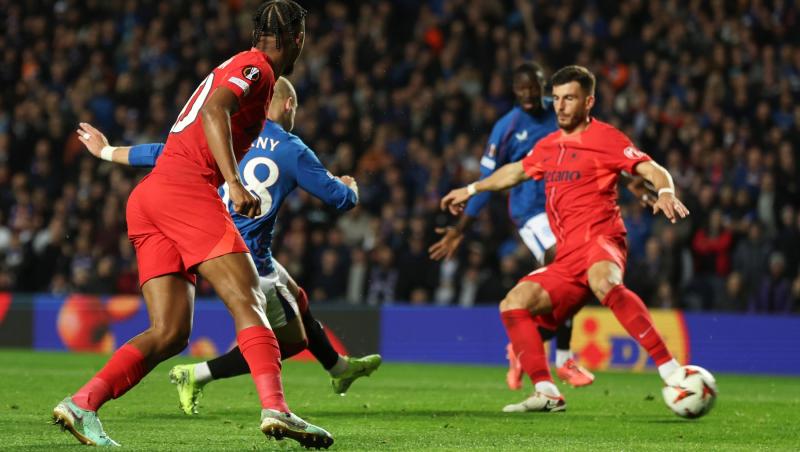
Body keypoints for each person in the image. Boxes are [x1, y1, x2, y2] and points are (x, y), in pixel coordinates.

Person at [52, 2, 334, 448]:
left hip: (151, 196)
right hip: (186, 194)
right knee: (248, 302)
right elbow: (212, 113)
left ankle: (83, 403)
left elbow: (180, 142)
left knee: (170, 332)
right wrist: (234, 181)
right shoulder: (255, 68)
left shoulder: (234, 67)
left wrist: (108, 153)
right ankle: (276, 408)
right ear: (297, 38)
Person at [75, 77, 382, 417]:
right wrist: (350, 186)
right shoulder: (291, 148)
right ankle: (199, 374)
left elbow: (162, 153)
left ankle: (339, 368)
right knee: (294, 341)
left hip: (202, 241)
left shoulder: (230, 134)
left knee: (296, 294)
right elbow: (340, 200)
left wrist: (105, 151)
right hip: (246, 259)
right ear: (288, 105)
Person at [441, 65, 689, 413]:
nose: (559, 106)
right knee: (513, 303)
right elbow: (515, 172)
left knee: (604, 281)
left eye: (569, 98)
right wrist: (471, 188)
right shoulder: (549, 145)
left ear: (589, 101)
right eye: (556, 99)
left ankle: (671, 369)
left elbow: (651, 169)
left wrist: (664, 191)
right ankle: (546, 391)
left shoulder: (607, 138)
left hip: (601, 241)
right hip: (569, 257)